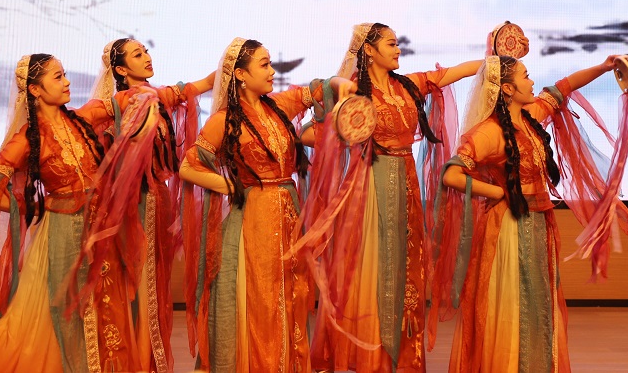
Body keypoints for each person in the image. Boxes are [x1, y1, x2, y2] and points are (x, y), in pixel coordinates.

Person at [295, 22, 482, 373]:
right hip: (371, 185)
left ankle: (402, 356)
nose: (398, 50)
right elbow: (309, 134)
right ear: (368, 50)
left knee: (406, 266)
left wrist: (492, 62)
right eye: (391, 44)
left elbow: (450, 74)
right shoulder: (354, 92)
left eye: (398, 44)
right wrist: (349, 135)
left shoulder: (406, 85)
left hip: (406, 182)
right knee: (373, 266)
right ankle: (371, 355)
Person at [437, 54, 628, 372]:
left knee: (538, 302)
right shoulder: (489, 132)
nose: (531, 82)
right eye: (525, 76)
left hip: (539, 223)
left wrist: (604, 67)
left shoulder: (531, 116)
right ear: (506, 88)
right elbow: (451, 175)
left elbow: (565, 86)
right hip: (509, 228)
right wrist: (497, 192)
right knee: (513, 302)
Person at [178, 37, 354, 372]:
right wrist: (230, 185)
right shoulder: (223, 120)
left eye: (271, 63)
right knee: (261, 297)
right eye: (264, 64)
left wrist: (338, 82)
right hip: (253, 219)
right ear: (241, 74)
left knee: (291, 294)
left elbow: (316, 89)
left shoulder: (279, 106)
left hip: (288, 211)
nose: (272, 71)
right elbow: (189, 166)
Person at [0, 53, 137, 373]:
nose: (67, 82)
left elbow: (124, 100)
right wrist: (34, 208)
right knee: (68, 306)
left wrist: (181, 89)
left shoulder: (82, 118)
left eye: (64, 74)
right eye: (58, 77)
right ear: (35, 90)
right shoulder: (28, 138)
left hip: (99, 229)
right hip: (63, 231)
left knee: (106, 301)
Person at [70, 38, 214, 373]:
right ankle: (133, 360)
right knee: (137, 283)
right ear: (120, 70)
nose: (147, 57)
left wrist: (223, 75)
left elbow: (192, 89)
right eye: (137, 55)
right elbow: (76, 123)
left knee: (156, 282)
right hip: (133, 206)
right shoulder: (117, 105)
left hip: (158, 202)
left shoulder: (155, 99)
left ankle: (149, 360)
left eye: (146, 51)